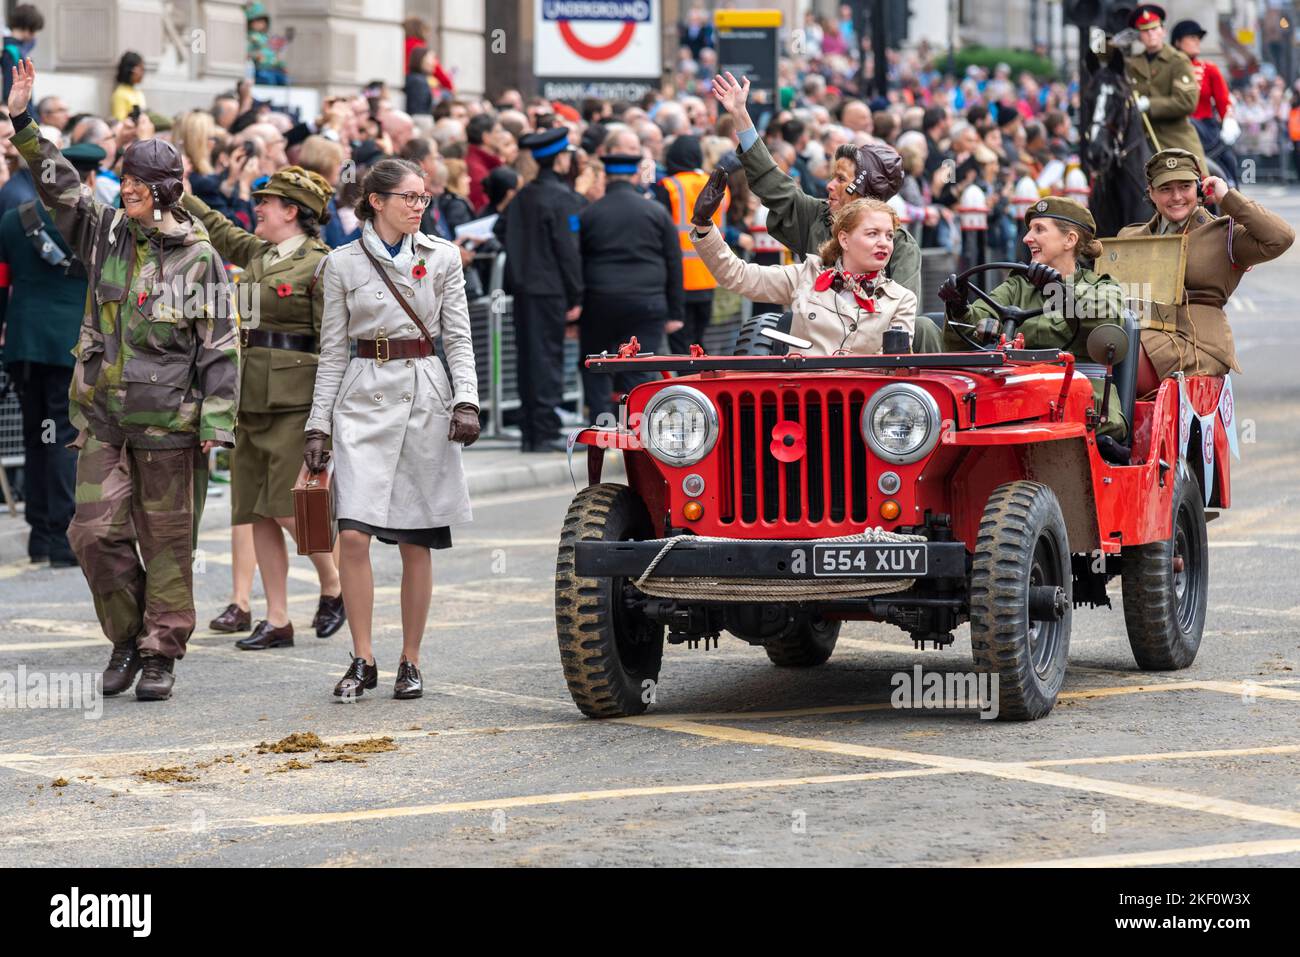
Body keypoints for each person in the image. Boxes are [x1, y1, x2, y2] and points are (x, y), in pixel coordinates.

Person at [7, 59, 238, 701]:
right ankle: (128, 635)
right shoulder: (106, 232)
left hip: (170, 427)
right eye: (124, 178)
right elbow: (58, 187)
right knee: (91, 533)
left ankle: (160, 654)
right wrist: (24, 120)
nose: (124, 187)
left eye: (136, 180)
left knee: (167, 547)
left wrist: (217, 424)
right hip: (103, 421)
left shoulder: (202, 260)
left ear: (165, 189)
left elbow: (221, 345)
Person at [304, 158, 480, 700]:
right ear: (375, 201)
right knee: (352, 534)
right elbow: (332, 351)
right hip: (359, 400)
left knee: (414, 540)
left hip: (426, 398)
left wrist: (467, 400)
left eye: (424, 198)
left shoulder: (443, 256)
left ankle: (410, 659)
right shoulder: (341, 264)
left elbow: (459, 338)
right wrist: (318, 425)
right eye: (408, 197)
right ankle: (362, 658)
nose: (418, 207)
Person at [182, 166, 347, 649]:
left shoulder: (323, 264)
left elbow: (334, 344)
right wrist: (185, 196)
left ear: (292, 212)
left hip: (296, 401)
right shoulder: (260, 253)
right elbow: (218, 228)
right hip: (248, 396)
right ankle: (277, 618)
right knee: (256, 511)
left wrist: (326, 415)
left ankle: (334, 584)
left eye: (267, 203)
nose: (258, 209)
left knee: (291, 511)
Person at [711, 71, 922, 300]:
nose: (829, 186)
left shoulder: (899, 245)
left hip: (873, 335)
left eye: (841, 179)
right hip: (816, 332)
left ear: (864, 190)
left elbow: (903, 316)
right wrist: (741, 116)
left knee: (925, 329)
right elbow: (772, 181)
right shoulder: (816, 217)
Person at [940, 197, 1130, 444]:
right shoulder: (1017, 286)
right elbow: (973, 326)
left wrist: (1058, 291)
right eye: (1029, 229)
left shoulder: (1103, 288)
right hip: (1016, 398)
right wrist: (958, 308)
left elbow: (1103, 326)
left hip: (1083, 405)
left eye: (1039, 230)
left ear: (1069, 240)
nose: (1027, 238)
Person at [0, 143, 104, 567]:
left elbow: (2, 283)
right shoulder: (90, 223)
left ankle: (41, 534)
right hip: (67, 345)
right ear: (88, 178)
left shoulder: (12, 220)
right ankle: (62, 537)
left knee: (38, 433)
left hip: (24, 345)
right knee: (62, 436)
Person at [1118, 148, 1295, 390]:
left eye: (1185, 187)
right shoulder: (1131, 236)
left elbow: (1281, 237)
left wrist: (1228, 198)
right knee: (1098, 345)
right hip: (1143, 330)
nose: (1177, 196)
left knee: (1126, 351)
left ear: (1199, 189)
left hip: (1197, 343)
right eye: (1166, 189)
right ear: (1151, 193)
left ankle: (1118, 425)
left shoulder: (1225, 233)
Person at [691, 193, 917, 356]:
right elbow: (737, 275)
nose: (884, 243)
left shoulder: (902, 299)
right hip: (804, 402)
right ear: (844, 239)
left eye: (889, 235)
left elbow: (895, 365)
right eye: (872, 233)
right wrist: (705, 227)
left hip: (863, 406)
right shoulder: (806, 276)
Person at [493, 126, 584, 453]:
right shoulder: (562, 198)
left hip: (524, 287)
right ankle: (545, 429)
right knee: (547, 359)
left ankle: (533, 430)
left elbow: (498, 228)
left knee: (529, 358)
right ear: (560, 159)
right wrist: (577, 293)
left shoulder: (524, 196)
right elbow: (568, 250)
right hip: (551, 288)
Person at [579, 153, 683, 424]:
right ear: (635, 175)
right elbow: (673, 261)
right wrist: (675, 312)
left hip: (600, 299)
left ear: (606, 177)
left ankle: (601, 425)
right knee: (638, 366)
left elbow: (577, 260)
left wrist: (577, 305)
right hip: (646, 300)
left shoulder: (590, 213)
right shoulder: (655, 212)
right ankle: (636, 426)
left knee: (596, 363)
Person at [652, 134, 726, 354]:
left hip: (678, 279)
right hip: (710, 274)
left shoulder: (667, 186)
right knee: (699, 343)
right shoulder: (717, 185)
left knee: (682, 348)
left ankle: (684, 387)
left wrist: (648, 162)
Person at [1124, 5, 1204, 167]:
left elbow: (1187, 102)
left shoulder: (1178, 60)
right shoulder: (1130, 65)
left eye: (1154, 29)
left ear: (1163, 31)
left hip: (1173, 136)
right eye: (1145, 31)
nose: (1151, 34)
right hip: (1137, 137)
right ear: (1139, 36)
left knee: (1198, 182)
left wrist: (1150, 104)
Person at [1171, 18, 1240, 186]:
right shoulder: (1168, 69)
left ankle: (1232, 195)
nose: (1197, 42)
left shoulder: (1209, 69)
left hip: (1205, 131)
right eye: (1192, 38)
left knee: (1229, 161)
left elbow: (1224, 102)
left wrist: (1229, 120)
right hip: (1173, 128)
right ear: (1178, 42)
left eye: (1198, 38)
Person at [1, 4, 42, 118]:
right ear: (29, 29)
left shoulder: (12, 49)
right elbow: (10, 91)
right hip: (18, 113)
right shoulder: (12, 52)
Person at [109, 52, 146, 122]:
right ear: (131, 70)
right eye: (141, 68)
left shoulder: (138, 92)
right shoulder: (120, 94)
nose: (143, 72)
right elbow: (120, 121)